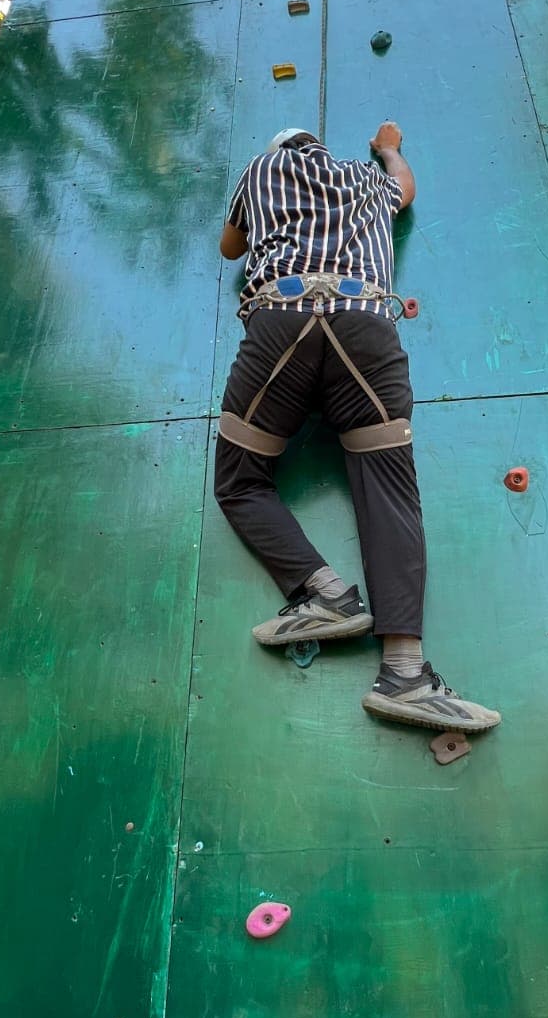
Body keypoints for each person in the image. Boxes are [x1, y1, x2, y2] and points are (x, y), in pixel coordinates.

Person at [213, 122, 501, 735]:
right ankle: (404, 674)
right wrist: (391, 149)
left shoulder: (259, 173)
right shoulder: (369, 180)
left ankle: (324, 594)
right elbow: (406, 189)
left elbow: (230, 249)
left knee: (240, 479)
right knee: (388, 489)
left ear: (278, 153)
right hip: (365, 323)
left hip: (281, 321)